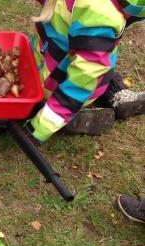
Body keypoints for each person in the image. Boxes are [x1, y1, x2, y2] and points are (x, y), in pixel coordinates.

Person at [26, 0, 145, 142]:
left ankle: (79, 114)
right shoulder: (99, 14)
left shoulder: (99, 17)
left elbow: (82, 80)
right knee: (96, 62)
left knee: (94, 63)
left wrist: (39, 129)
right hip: (56, 73)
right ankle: (115, 96)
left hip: (55, 72)